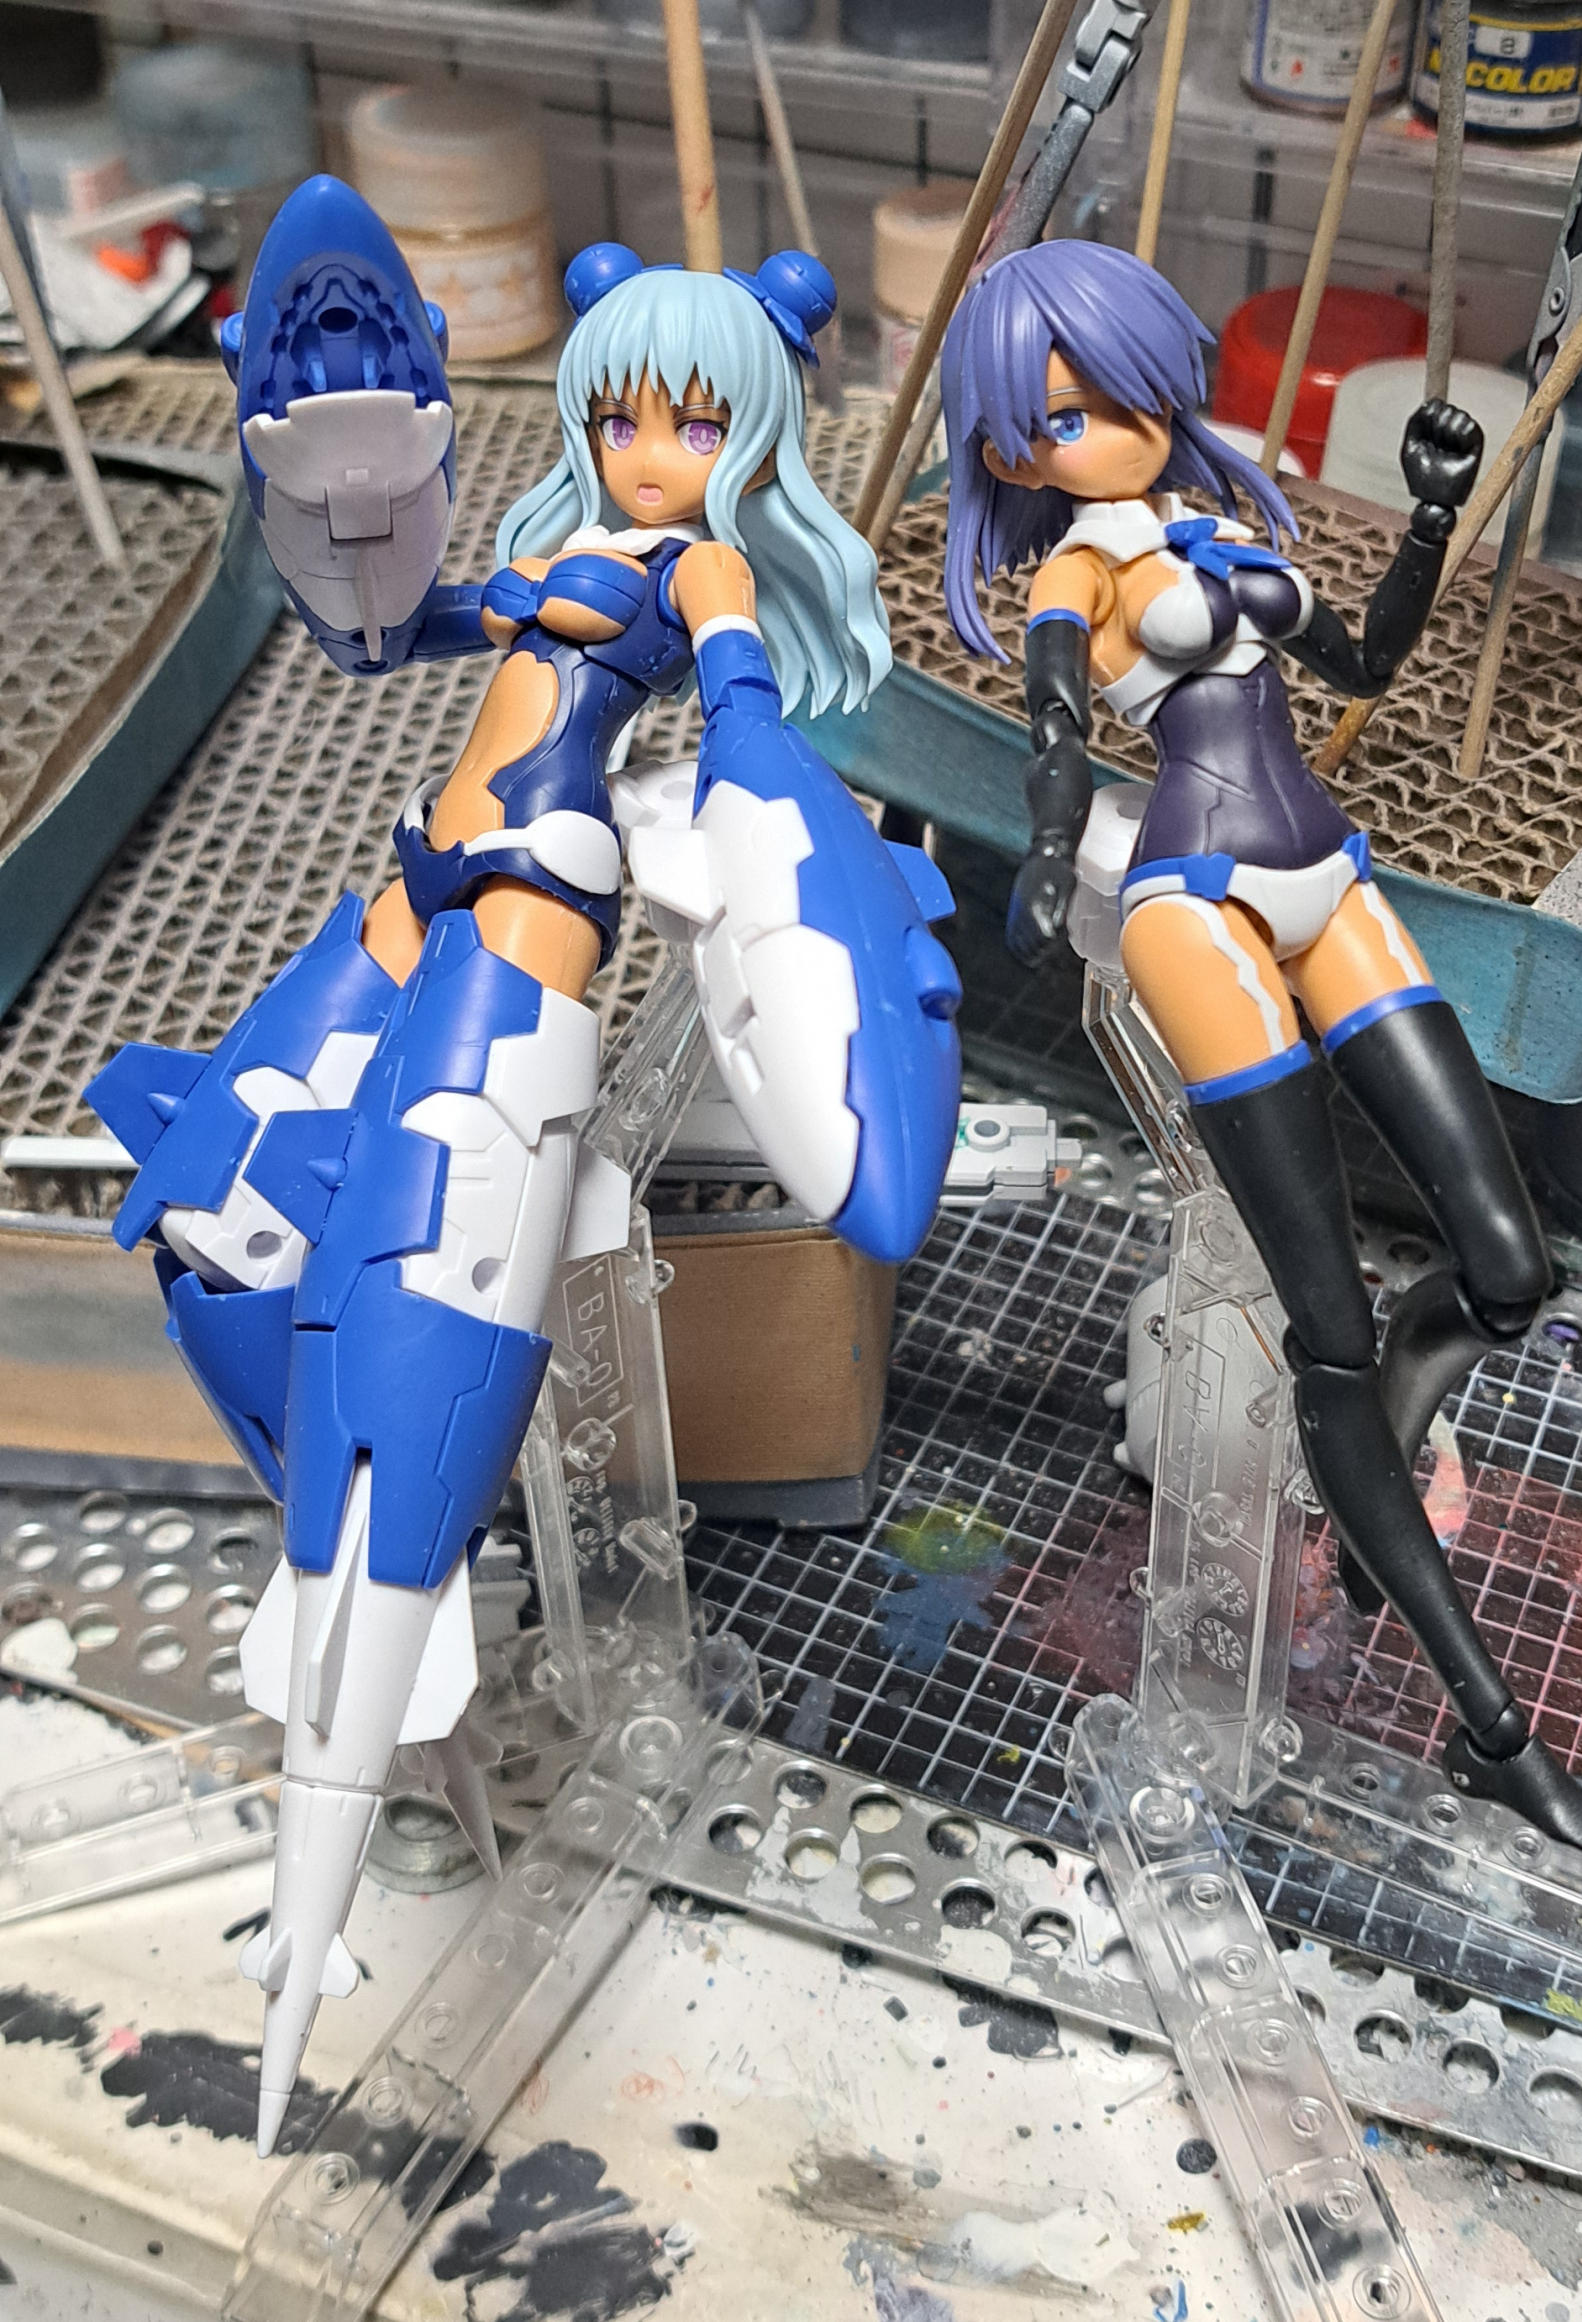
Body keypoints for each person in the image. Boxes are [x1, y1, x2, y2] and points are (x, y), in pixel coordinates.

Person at [89, 186, 956, 2150]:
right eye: (624, 412)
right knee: (221, 1197)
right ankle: (338, 1529)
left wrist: (756, 829)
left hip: (540, 913)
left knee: (430, 1229)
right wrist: (340, 506)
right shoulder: (559, 545)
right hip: (415, 878)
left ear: (750, 430)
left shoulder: (701, 571)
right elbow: (402, 629)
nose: (653, 449)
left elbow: (743, 701)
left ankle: (384, 1601)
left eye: (694, 420)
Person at [942, 239, 1582, 1859]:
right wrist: (1042, 858)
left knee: (1511, 1270)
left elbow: (1367, 660)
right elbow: (1056, 734)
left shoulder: (1226, 533)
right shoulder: (1075, 578)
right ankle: (1492, 1730)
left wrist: (1434, 516)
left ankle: (1375, 1424)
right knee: (1323, 1328)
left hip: (1329, 875)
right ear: (1012, 453)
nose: (1111, 425)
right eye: (1062, 415)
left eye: (1124, 389)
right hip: (1195, 905)